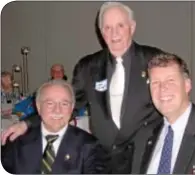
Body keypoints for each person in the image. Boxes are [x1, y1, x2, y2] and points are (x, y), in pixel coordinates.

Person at [1, 2, 164, 173]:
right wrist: (27, 124)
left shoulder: (154, 61)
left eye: (120, 26)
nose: (114, 33)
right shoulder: (88, 67)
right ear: (101, 32)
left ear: (132, 27)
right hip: (103, 162)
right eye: (107, 27)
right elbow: (67, 106)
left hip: (146, 160)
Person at [131, 53, 195, 174]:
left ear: (187, 85)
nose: (162, 88)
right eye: (155, 83)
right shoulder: (143, 136)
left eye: (170, 81)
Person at [1, 80, 107, 174]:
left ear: (72, 108)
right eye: (50, 103)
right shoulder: (16, 141)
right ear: (38, 107)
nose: (57, 110)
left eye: (64, 104)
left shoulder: (89, 146)